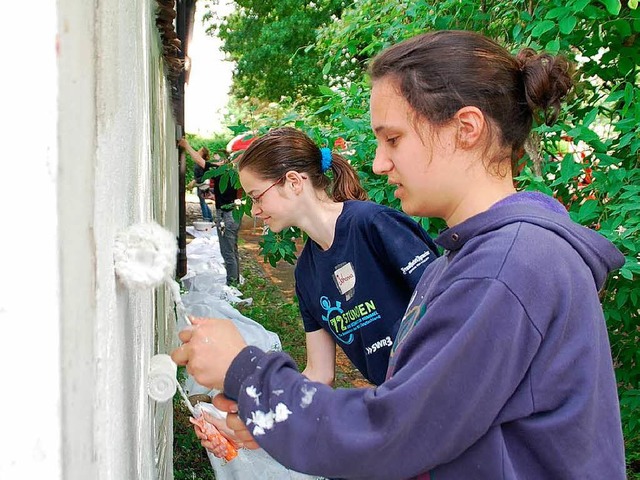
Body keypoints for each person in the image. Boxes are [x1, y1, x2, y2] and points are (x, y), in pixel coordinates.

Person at [172, 30, 626, 479]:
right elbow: (420, 419)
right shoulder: (467, 261)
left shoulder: (506, 268)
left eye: (393, 139)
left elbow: (393, 433)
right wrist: (266, 421)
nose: (378, 163)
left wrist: (248, 375)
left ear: (466, 129)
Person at [180, 138, 243, 286]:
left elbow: (200, 161)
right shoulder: (237, 173)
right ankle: (235, 281)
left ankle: (232, 284)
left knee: (227, 251)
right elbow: (237, 194)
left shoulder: (221, 171)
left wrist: (187, 145)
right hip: (235, 212)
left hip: (226, 214)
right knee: (232, 249)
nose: (217, 161)